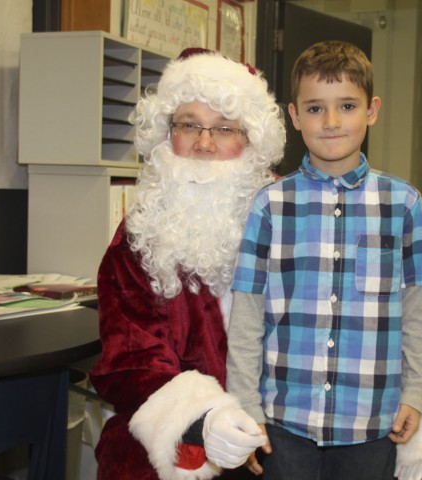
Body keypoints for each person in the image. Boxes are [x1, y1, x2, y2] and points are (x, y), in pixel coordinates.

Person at [226, 40, 422, 479]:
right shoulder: (269, 205)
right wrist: (245, 403)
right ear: (294, 116)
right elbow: (247, 314)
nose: (331, 122)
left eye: (346, 105)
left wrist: (415, 393)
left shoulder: (403, 204)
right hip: (285, 420)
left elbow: (419, 309)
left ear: (372, 110)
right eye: (315, 108)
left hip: (372, 420)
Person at [88, 48, 286, 480]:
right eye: (189, 125)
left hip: (287, 422)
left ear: (252, 142)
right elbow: (131, 360)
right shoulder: (140, 235)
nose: (204, 144)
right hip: (180, 424)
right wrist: (204, 417)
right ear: (166, 134)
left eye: (224, 129)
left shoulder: (294, 214)